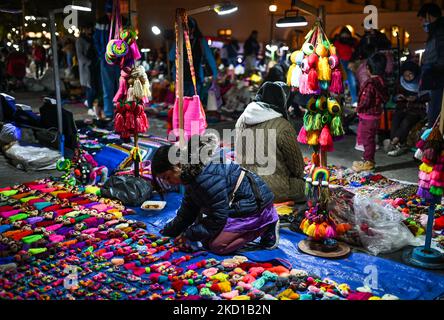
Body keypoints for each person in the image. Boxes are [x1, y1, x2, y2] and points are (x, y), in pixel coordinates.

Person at [151, 134, 280, 255]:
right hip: (235, 202)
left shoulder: (204, 177)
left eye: (167, 177)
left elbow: (218, 216)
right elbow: (188, 209)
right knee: (204, 239)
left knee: (217, 246)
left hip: (254, 203)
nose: (169, 183)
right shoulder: (190, 173)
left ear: (177, 165)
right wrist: (169, 231)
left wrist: (188, 234)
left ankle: (266, 225)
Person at [235, 81, 305, 203]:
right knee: (307, 185)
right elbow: (297, 168)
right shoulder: (283, 126)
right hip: (273, 191)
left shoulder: (242, 119)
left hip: (245, 186)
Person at [352, 53, 389, 172]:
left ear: (368, 68)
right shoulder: (382, 81)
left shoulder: (370, 84)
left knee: (367, 139)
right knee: (370, 138)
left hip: (367, 116)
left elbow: (365, 101)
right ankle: (368, 159)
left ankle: (368, 162)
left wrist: (358, 108)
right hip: (376, 115)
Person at [383, 61, 428, 156]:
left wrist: (417, 98)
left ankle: (393, 143)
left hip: (417, 110)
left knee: (406, 121)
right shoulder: (400, 82)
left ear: (415, 73)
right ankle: (398, 144)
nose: (408, 77)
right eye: (405, 75)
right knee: (395, 120)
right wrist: (397, 97)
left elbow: (427, 97)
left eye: (410, 74)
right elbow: (394, 97)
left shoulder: (422, 82)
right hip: (402, 107)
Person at [168, 17, 218, 97]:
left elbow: (210, 58)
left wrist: (215, 75)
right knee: (182, 105)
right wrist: (177, 42)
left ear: (193, 29)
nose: (185, 31)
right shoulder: (179, 41)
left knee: (194, 103)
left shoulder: (200, 41)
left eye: (187, 28)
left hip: (196, 78)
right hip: (181, 79)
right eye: (183, 29)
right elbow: (170, 57)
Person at [417, 3, 444, 128]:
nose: (421, 23)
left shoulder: (440, 30)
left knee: (434, 108)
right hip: (435, 73)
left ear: (429, 16)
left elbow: (440, 54)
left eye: (422, 19)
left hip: (437, 75)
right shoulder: (436, 30)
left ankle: (432, 139)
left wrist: (434, 69)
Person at [94, 0, 121, 120]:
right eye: (109, 13)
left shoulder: (123, 22)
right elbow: (97, 40)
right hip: (106, 60)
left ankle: (122, 112)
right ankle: (109, 113)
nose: (110, 15)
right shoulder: (101, 22)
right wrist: (102, 55)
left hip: (120, 61)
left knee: (122, 87)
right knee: (107, 89)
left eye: (112, 13)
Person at [76, 26, 99, 118]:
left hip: (95, 67)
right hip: (87, 68)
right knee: (90, 88)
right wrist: (89, 63)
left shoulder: (93, 39)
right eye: (88, 28)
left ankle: (89, 103)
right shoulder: (80, 41)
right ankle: (90, 107)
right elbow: (80, 56)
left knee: (94, 87)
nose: (90, 30)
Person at [334, 27, 359, 107]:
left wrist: (352, 61)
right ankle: (347, 99)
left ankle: (354, 99)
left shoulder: (353, 42)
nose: (345, 37)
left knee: (352, 80)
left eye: (346, 36)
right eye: (343, 36)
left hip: (351, 63)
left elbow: (357, 53)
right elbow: (335, 53)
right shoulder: (337, 43)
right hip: (341, 63)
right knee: (343, 81)